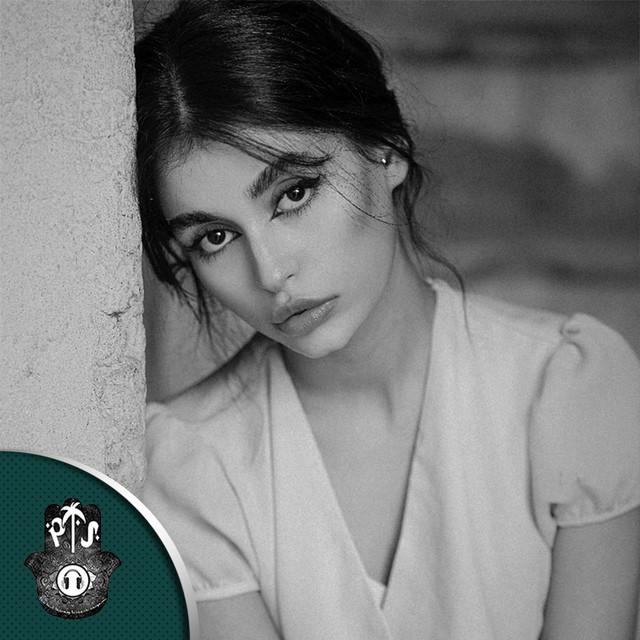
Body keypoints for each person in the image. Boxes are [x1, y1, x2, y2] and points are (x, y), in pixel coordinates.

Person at [135, 1, 640, 638]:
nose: (270, 273)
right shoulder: (190, 466)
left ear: (385, 147)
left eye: (294, 193)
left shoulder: (568, 390)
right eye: (214, 237)